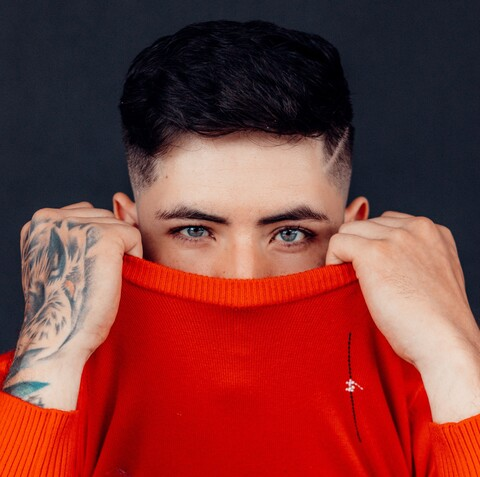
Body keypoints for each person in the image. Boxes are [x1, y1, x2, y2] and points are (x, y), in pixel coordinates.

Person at [0, 19, 479, 476]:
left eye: (290, 233)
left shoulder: (438, 391)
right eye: (195, 231)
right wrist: (49, 353)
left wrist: (456, 355)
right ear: (128, 226)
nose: (243, 277)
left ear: (354, 230)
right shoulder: (39, 383)